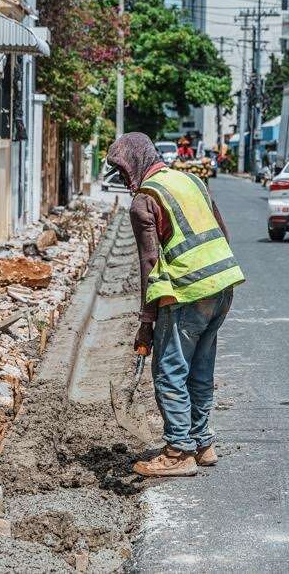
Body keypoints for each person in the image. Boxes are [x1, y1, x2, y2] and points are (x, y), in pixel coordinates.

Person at [106, 132, 244, 477]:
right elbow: (222, 231)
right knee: (200, 368)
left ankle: (178, 451)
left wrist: (146, 322)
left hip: (189, 293)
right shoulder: (191, 180)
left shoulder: (144, 200)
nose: (124, 180)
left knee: (169, 371)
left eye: (122, 171)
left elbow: (149, 263)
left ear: (134, 163)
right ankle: (202, 443)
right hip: (223, 285)